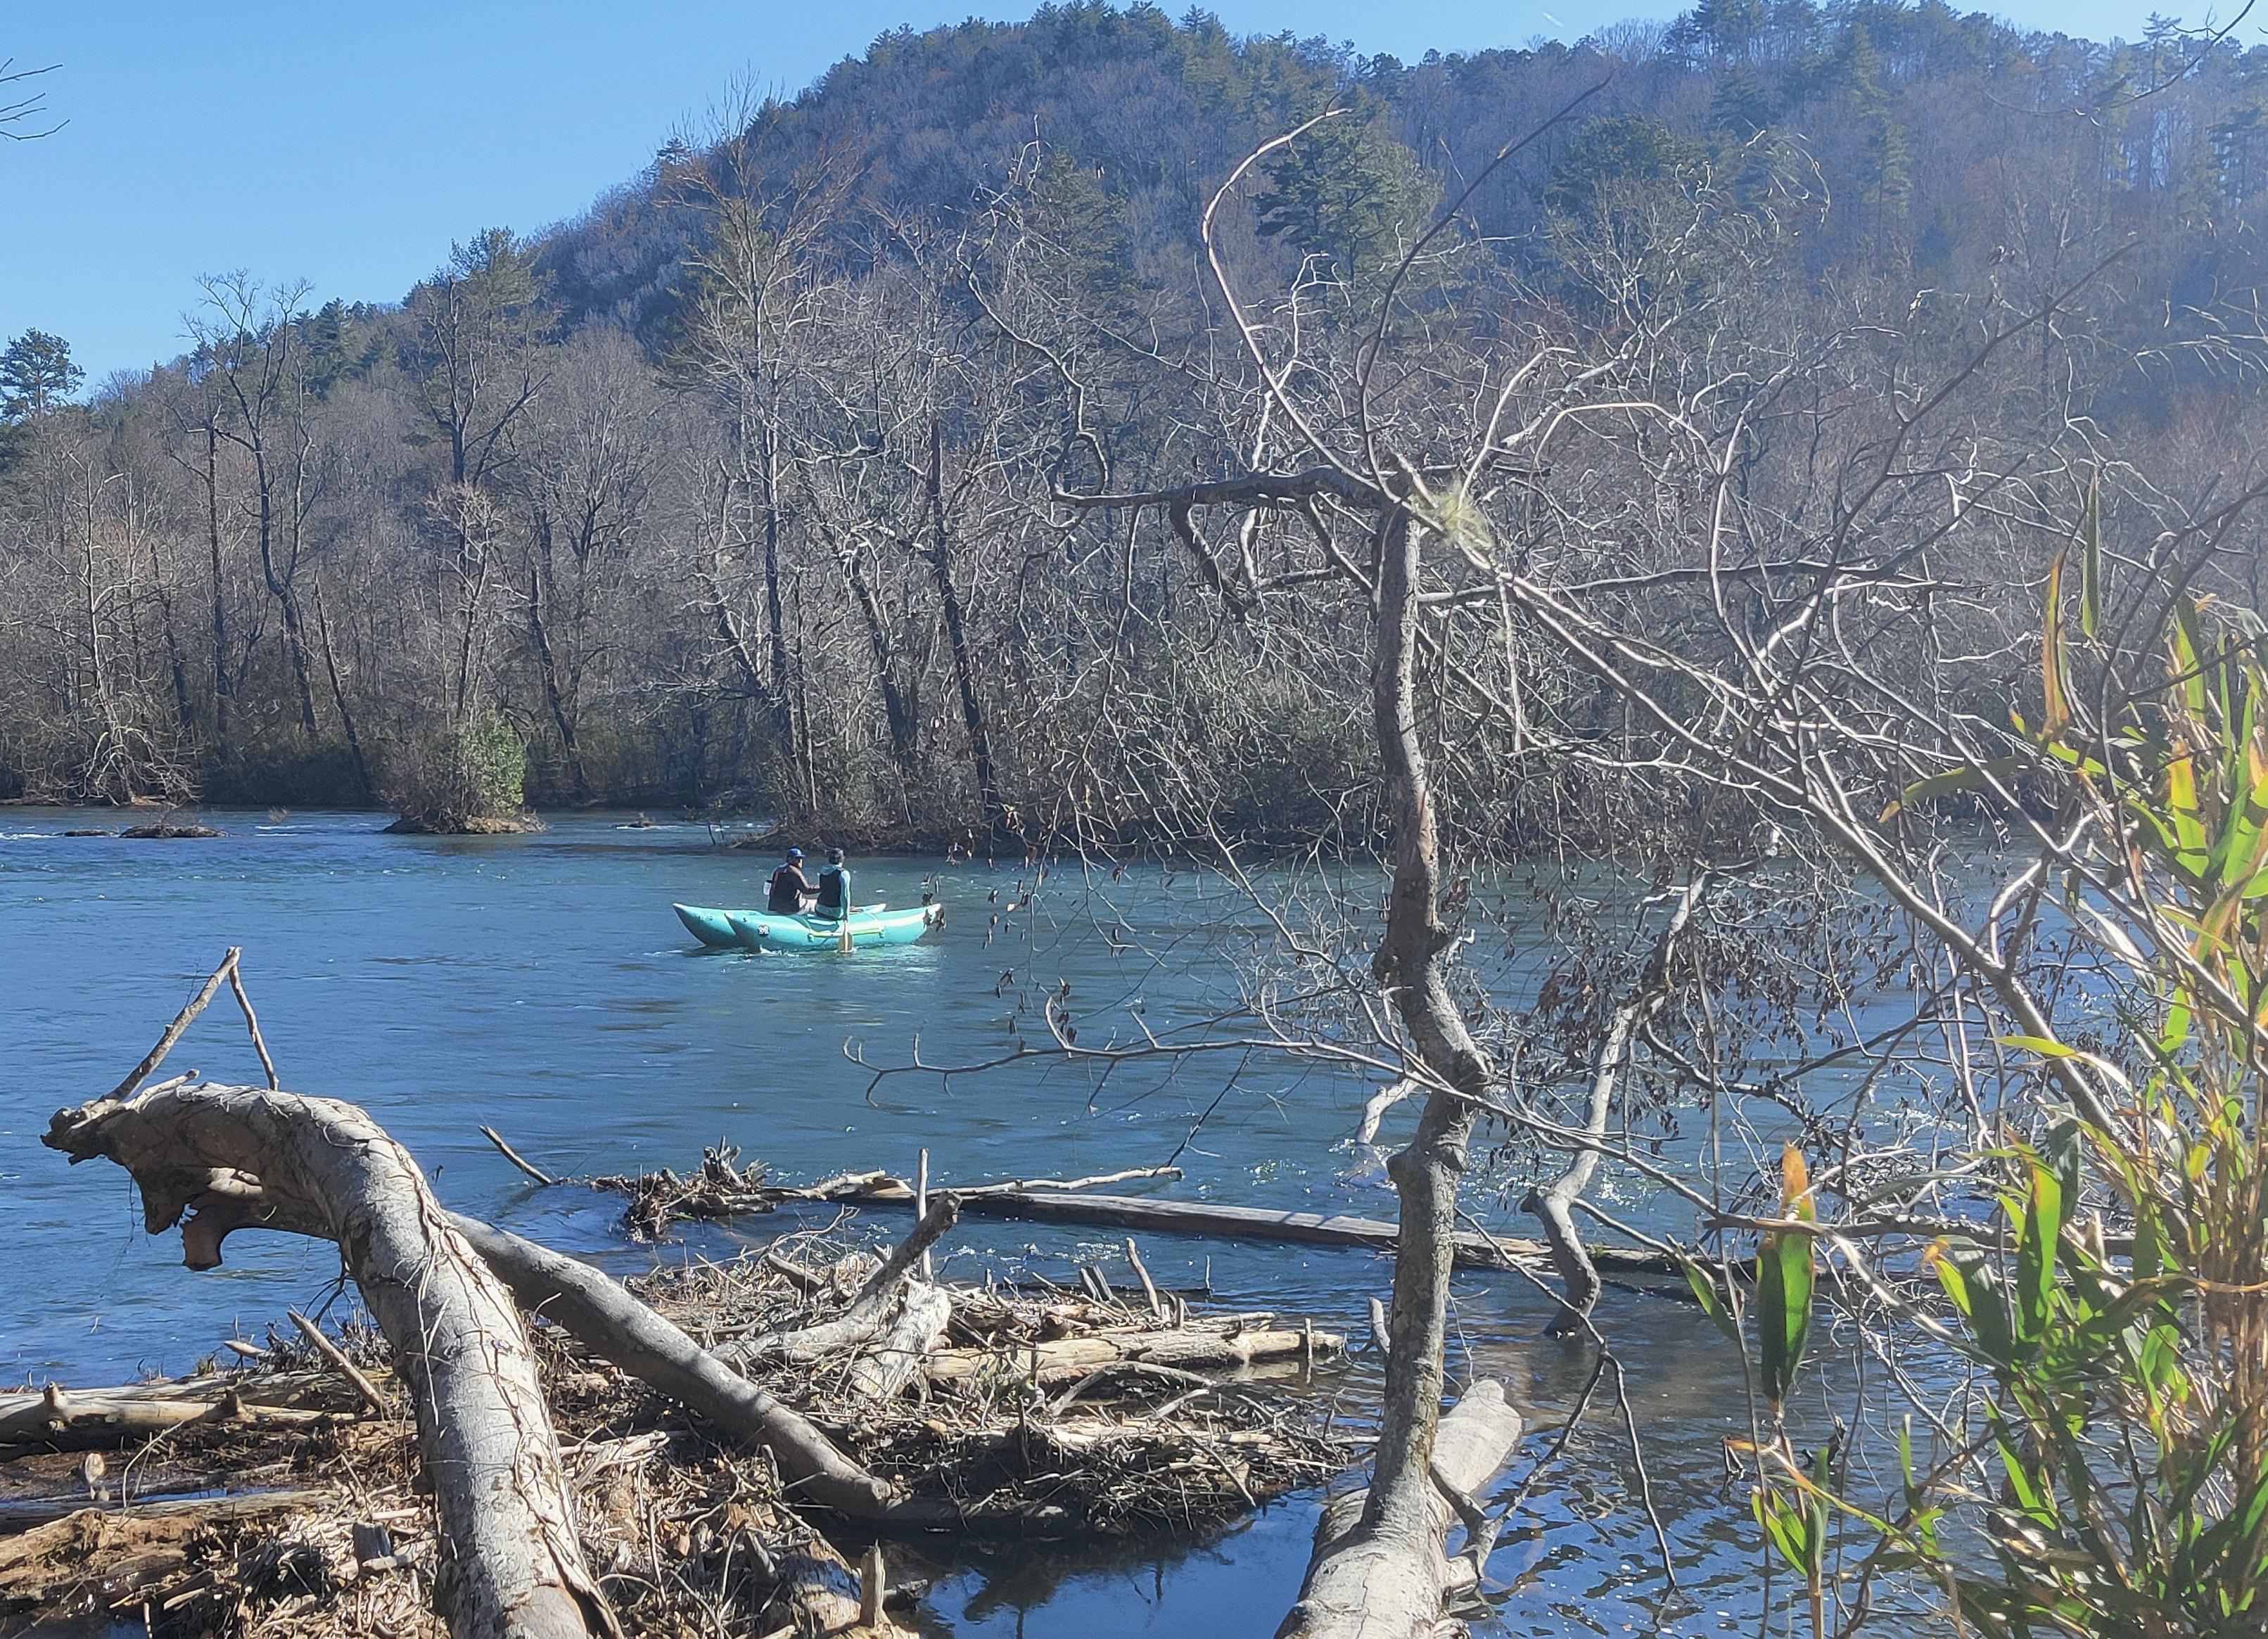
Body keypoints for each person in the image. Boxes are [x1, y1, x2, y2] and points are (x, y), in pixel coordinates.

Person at [766, 847, 816, 914]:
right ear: (789, 859)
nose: (800, 861)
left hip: (773, 907)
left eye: (801, 859)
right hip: (790, 910)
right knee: (815, 904)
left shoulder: (778, 870)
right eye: (797, 859)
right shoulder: (793, 871)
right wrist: (824, 887)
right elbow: (807, 890)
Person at [813, 848, 853, 921]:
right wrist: (846, 915)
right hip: (835, 914)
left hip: (819, 910)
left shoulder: (823, 870)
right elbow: (845, 896)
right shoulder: (844, 873)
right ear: (843, 859)